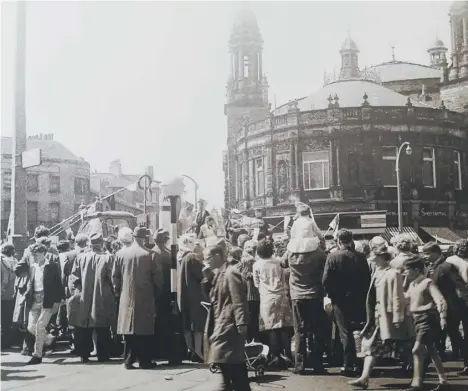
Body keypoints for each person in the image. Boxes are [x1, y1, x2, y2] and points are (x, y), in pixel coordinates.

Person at [349, 244, 414, 389]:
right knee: (372, 347)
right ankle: (364, 378)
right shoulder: (377, 272)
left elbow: (397, 296)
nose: (373, 260)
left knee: (407, 347)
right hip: (379, 317)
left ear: (382, 257)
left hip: (389, 317)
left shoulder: (393, 273)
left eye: (375, 258)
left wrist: (398, 317)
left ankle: (420, 374)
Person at [282, 203, 327, 374]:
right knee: (316, 329)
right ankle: (317, 363)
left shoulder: (290, 251)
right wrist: (322, 241)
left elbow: (282, 263)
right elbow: (325, 257)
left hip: (297, 294)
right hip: (315, 294)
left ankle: (299, 364)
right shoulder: (318, 253)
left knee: (299, 330)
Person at [202, 239, 251, 391]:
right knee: (234, 371)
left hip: (228, 327)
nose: (206, 262)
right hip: (221, 326)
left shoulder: (231, 273)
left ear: (217, 256)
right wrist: (207, 278)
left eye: (208, 258)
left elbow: (239, 300)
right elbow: (212, 298)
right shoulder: (218, 274)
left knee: (228, 368)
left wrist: (241, 323)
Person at [112, 226, 162, 370]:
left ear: (133, 237)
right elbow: (158, 279)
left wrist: (119, 292)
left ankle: (128, 359)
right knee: (144, 330)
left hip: (125, 297)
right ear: (145, 238)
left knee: (128, 330)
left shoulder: (120, 254)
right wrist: (156, 294)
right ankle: (144, 360)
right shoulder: (151, 255)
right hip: (145, 296)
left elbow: (115, 277)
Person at [323, 229, 371, 377]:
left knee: (344, 332)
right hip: (358, 299)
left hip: (340, 299)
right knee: (358, 331)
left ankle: (347, 364)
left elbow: (325, 280)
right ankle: (359, 363)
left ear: (338, 240)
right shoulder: (361, 257)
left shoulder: (332, 256)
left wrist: (332, 294)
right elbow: (367, 279)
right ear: (351, 240)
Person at [68, 233, 116, 363]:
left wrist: (77, 292)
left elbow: (74, 278)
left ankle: (84, 354)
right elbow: (113, 279)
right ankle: (102, 354)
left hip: (83, 296)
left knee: (84, 326)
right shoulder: (108, 258)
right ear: (102, 243)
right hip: (102, 296)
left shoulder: (81, 257)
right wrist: (115, 294)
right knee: (103, 327)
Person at [404, 256, 449, 391]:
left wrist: (443, 317)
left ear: (416, 269)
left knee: (416, 350)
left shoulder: (427, 282)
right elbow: (407, 299)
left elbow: (440, 300)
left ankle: (416, 383)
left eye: (407, 270)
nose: (405, 272)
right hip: (416, 320)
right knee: (431, 351)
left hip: (426, 320)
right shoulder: (412, 284)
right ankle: (443, 381)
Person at [423, 242, 468, 365]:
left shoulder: (446, 267)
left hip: (450, 307)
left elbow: (458, 285)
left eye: (427, 253)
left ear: (435, 253)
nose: (424, 256)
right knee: (442, 334)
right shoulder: (431, 266)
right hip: (438, 306)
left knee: (453, 334)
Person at [254, 238, 294, 369]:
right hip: (281, 296)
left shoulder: (257, 265)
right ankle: (288, 355)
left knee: (271, 329)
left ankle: (275, 357)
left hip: (266, 298)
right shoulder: (278, 262)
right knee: (284, 328)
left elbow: (256, 283)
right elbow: (283, 278)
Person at [25, 243, 64, 365]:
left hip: (47, 300)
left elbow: (58, 284)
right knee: (31, 327)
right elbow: (31, 282)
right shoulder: (32, 267)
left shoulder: (52, 266)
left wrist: (58, 301)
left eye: (36, 255)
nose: (34, 257)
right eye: (33, 255)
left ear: (43, 254)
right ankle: (49, 339)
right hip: (34, 299)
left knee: (40, 326)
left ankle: (37, 355)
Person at [177, 234, 208, 362]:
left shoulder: (180, 257)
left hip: (184, 296)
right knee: (197, 326)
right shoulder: (192, 257)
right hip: (195, 296)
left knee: (187, 325)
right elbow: (203, 274)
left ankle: (191, 350)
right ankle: (198, 352)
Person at [152, 228, 172, 360]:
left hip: (157, 291)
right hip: (167, 290)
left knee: (157, 322)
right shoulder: (168, 253)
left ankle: (158, 350)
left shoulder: (153, 252)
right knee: (166, 321)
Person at [238, 240, 260, 343]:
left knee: (248, 318)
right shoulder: (252, 261)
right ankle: (254, 339)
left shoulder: (241, 261)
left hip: (244, 293)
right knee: (254, 318)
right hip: (254, 294)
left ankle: (248, 340)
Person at [1, 243, 18, 349]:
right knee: (8, 319)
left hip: (2, 294)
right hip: (12, 294)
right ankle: (7, 341)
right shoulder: (15, 262)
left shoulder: (1, 261)